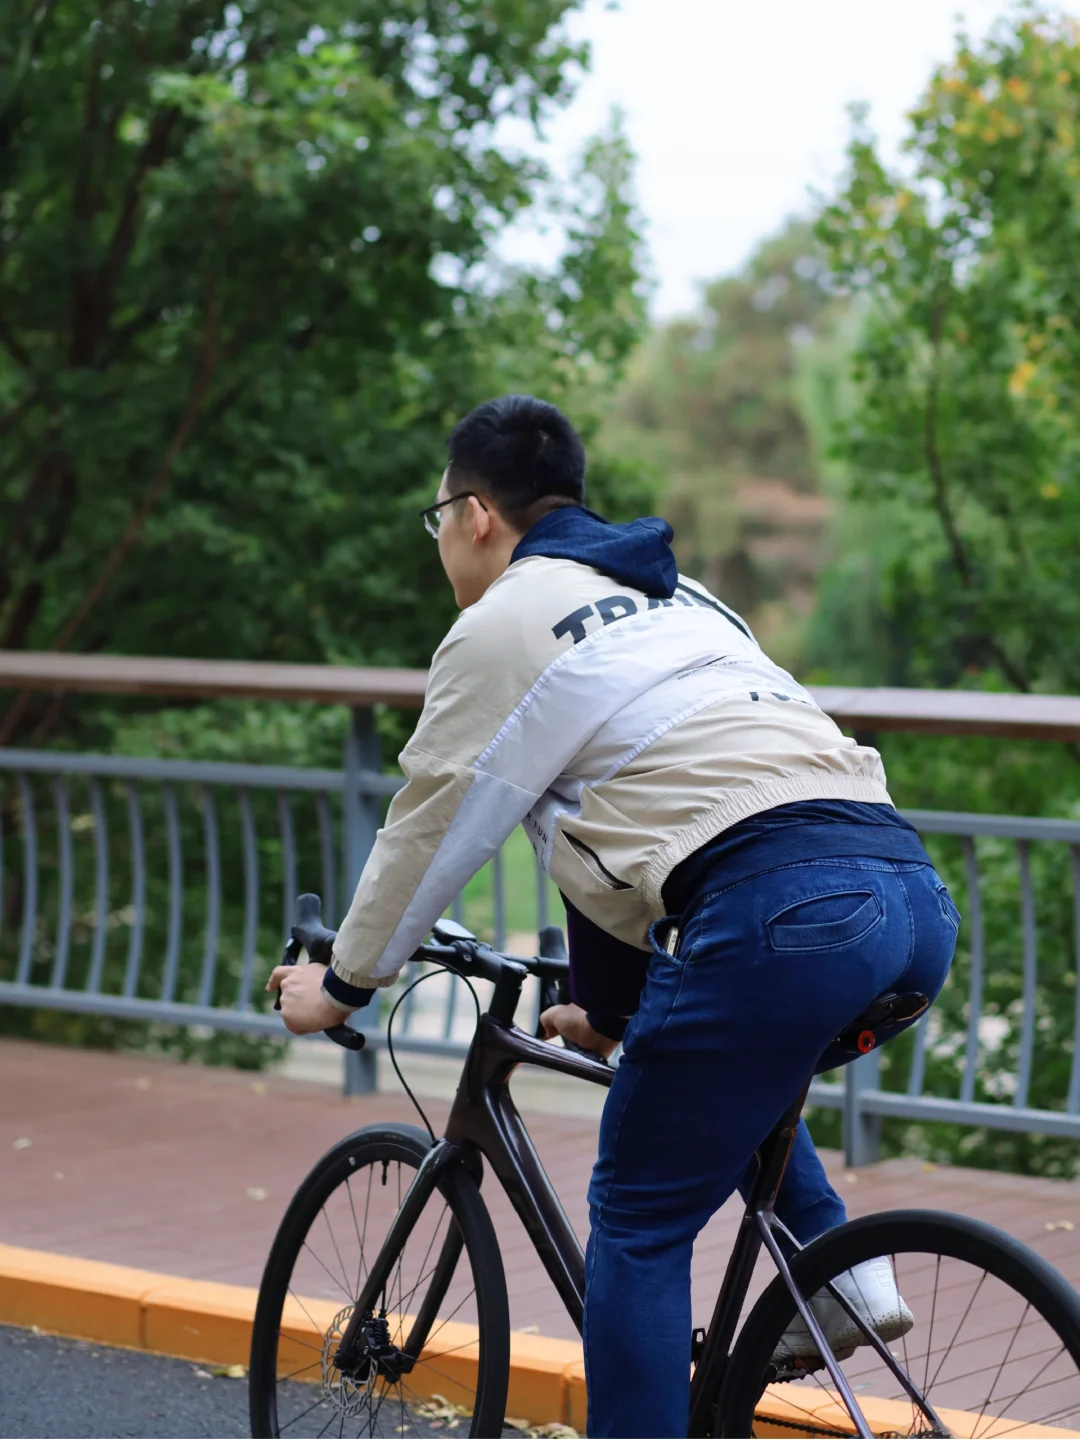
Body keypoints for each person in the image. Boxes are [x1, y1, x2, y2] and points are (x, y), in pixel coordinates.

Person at [268, 394, 960, 1438]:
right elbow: (627, 816)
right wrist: (609, 1004)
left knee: (636, 1223)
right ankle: (842, 1282)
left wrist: (343, 985)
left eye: (437, 518)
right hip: (907, 894)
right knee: (722, 1069)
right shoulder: (682, 596)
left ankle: (821, 1294)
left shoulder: (498, 623)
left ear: (477, 514)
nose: (442, 541)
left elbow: (433, 821)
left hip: (777, 910)